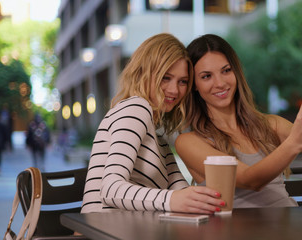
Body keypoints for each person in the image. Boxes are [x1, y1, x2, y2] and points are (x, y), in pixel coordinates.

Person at [175, 34, 302, 208]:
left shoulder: (270, 124)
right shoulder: (189, 142)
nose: (220, 83)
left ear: (236, 72)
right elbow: (249, 180)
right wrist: (295, 141)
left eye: (226, 70)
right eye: (206, 76)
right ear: (194, 84)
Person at [81, 33, 224, 215]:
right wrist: (173, 200)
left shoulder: (159, 141)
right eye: (166, 77)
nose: (174, 90)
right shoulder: (136, 108)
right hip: (105, 229)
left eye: (183, 82)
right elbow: (110, 189)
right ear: (143, 72)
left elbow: (181, 192)